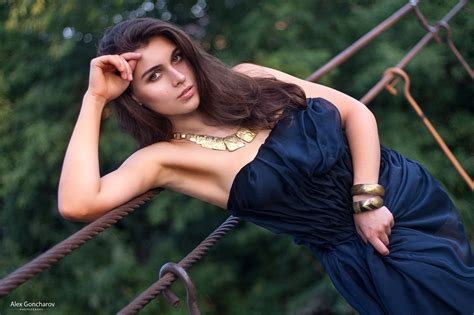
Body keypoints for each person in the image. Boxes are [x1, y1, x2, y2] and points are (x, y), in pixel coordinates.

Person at [57, 18, 473, 314]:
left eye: (179, 58)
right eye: (154, 76)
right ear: (136, 97)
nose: (178, 77)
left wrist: (367, 199)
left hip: (399, 196)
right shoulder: (165, 158)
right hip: (370, 253)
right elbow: (78, 203)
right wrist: (95, 100)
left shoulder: (247, 77)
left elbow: (355, 113)